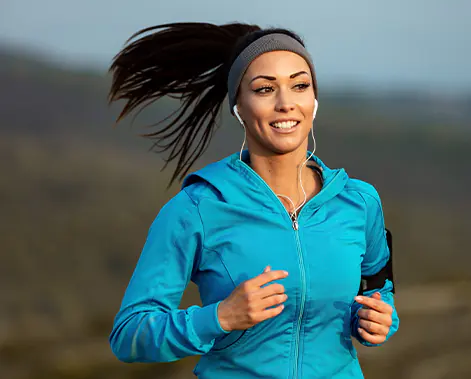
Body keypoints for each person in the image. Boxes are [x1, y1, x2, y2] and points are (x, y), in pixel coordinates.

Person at [107, 22, 399, 379]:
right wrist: (221, 317)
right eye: (264, 89)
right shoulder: (197, 208)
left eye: (300, 85)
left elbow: (379, 286)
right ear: (239, 107)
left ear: (314, 100)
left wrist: (378, 319)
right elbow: (129, 334)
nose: (285, 103)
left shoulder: (359, 202)